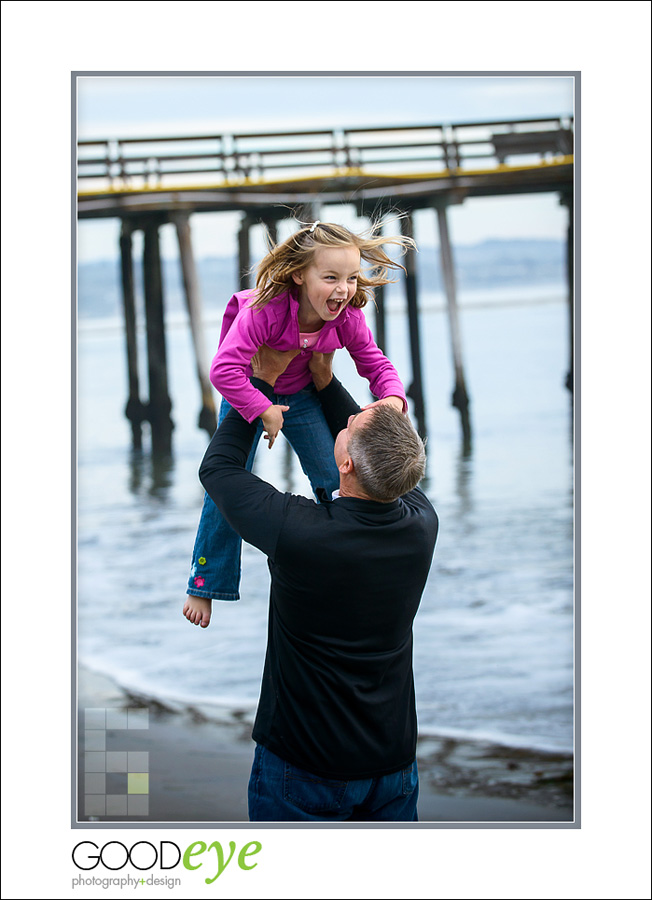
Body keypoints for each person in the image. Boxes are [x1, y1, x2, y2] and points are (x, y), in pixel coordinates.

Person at [184, 347, 438, 822]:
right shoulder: (421, 523)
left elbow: (218, 471)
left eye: (346, 429)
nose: (343, 424)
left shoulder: (300, 532)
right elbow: (378, 456)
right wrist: (324, 381)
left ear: (346, 465)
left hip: (302, 769)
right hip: (393, 766)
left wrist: (257, 385)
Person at [184, 220, 416, 617]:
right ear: (299, 275)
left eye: (350, 278)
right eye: (330, 277)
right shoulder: (265, 311)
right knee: (226, 485)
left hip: (304, 394)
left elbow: (374, 364)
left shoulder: (347, 318)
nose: (343, 289)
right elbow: (223, 371)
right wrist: (261, 408)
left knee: (335, 475)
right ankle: (205, 583)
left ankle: (344, 559)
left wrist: (393, 396)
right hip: (251, 390)